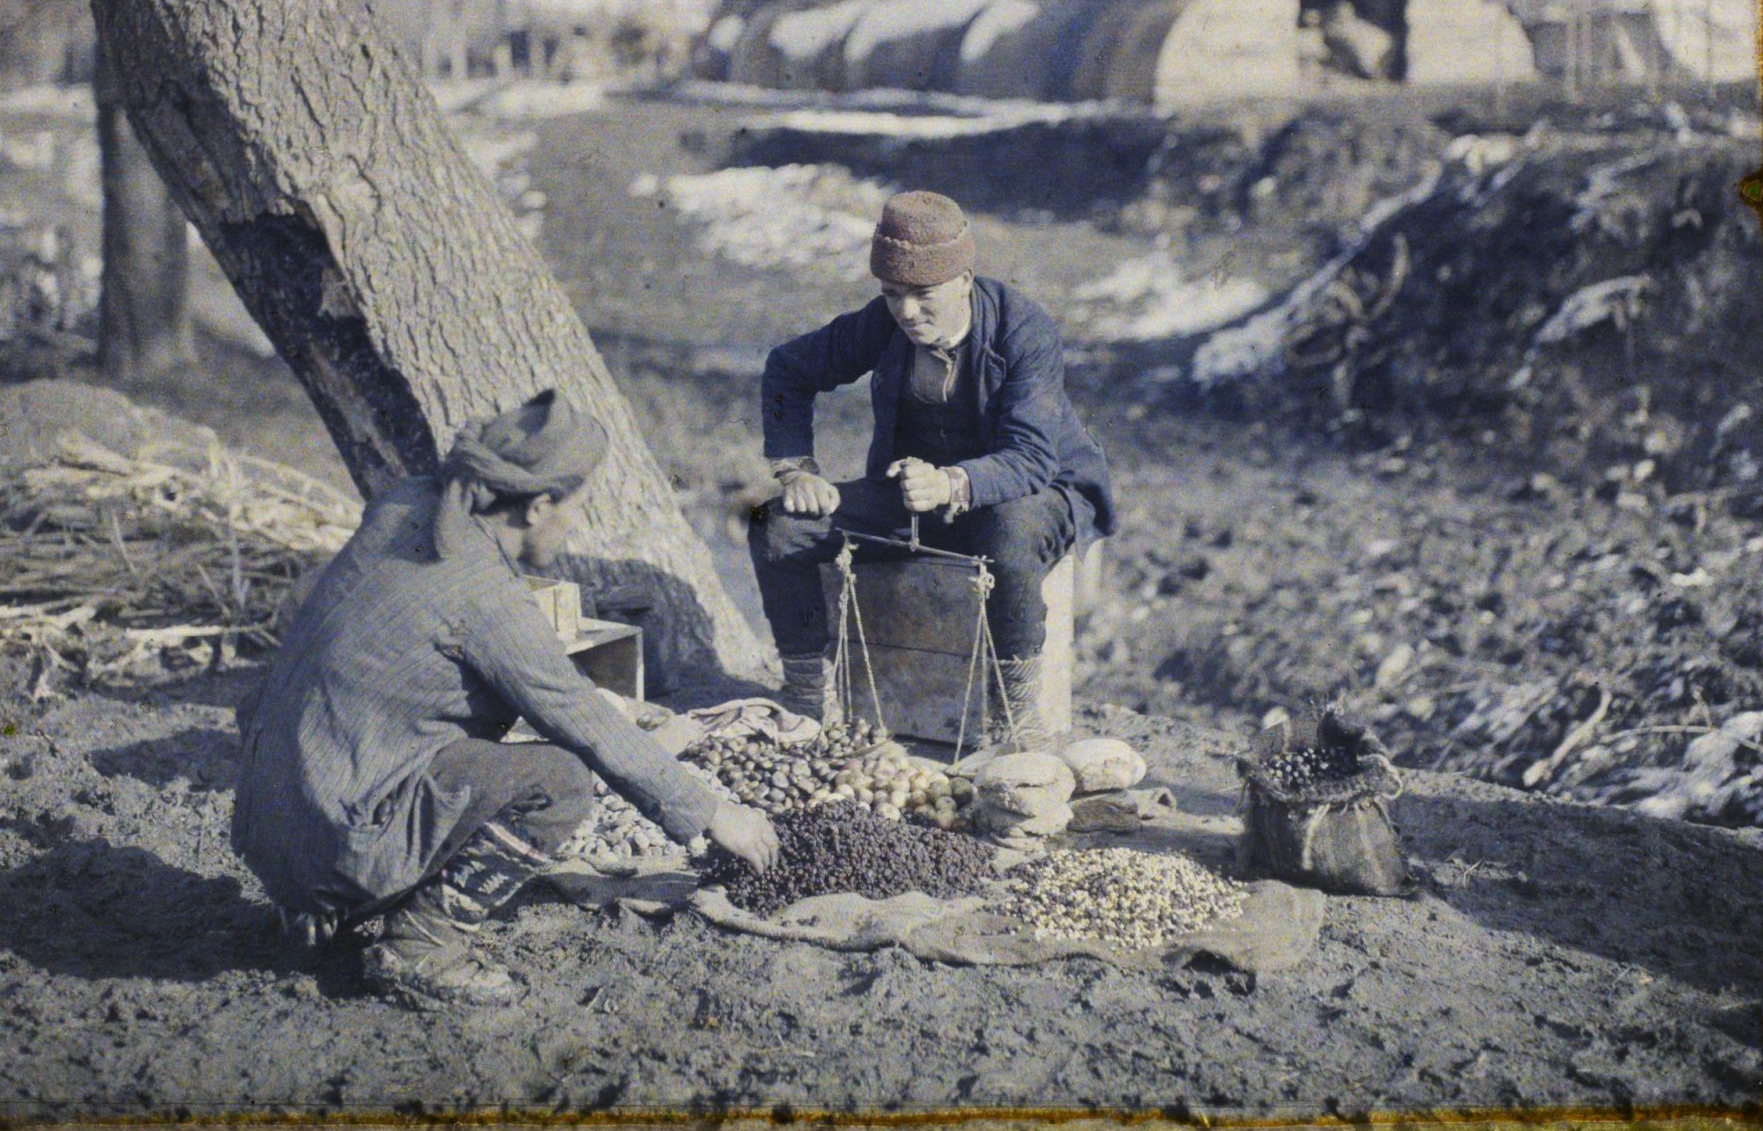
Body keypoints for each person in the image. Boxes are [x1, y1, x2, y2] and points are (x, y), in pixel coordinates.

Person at [232, 389, 778, 1010]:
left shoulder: (405, 504)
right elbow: (587, 721)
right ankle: (419, 945)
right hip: (334, 845)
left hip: (267, 819)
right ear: (538, 506)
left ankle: (321, 903)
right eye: (578, 507)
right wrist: (713, 813)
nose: (577, 524)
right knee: (558, 781)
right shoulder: (486, 599)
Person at [750, 191, 1117, 743]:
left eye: (923, 294)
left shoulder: (1024, 331)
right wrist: (796, 469)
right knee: (778, 526)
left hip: (1036, 491)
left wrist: (950, 483)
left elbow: (1031, 458)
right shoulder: (884, 324)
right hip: (918, 495)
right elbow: (788, 369)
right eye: (892, 294)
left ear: (964, 280)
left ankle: (1015, 720)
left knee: (1009, 529)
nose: (906, 312)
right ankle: (808, 704)